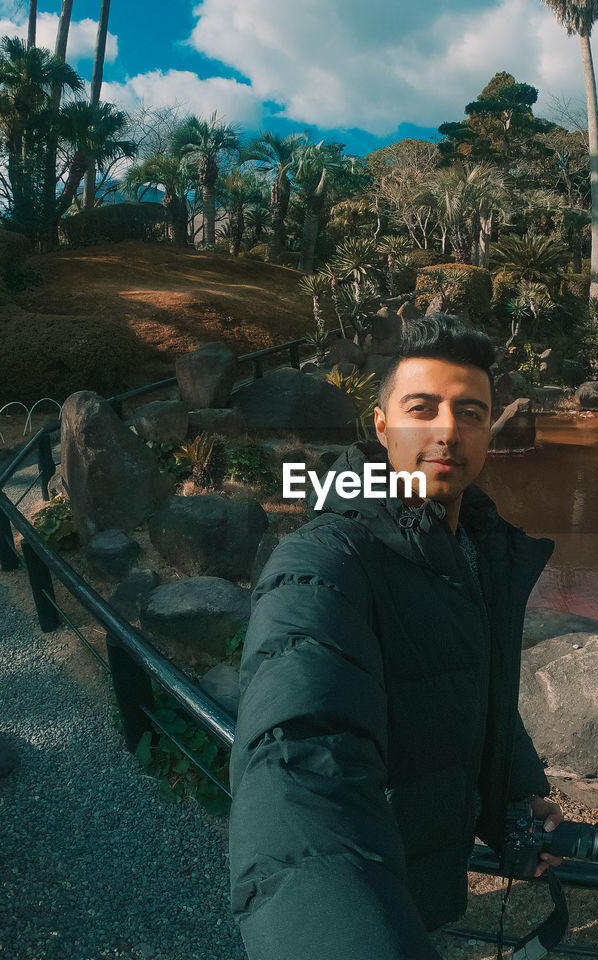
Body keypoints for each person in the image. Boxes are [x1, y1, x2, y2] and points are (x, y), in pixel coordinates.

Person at [228, 314, 562, 959]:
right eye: (422, 408)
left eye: (470, 412)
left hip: (432, 853)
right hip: (371, 869)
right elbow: (298, 762)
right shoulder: (324, 561)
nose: (447, 430)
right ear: (382, 427)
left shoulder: (480, 547)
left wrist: (515, 791)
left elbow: (474, 675)